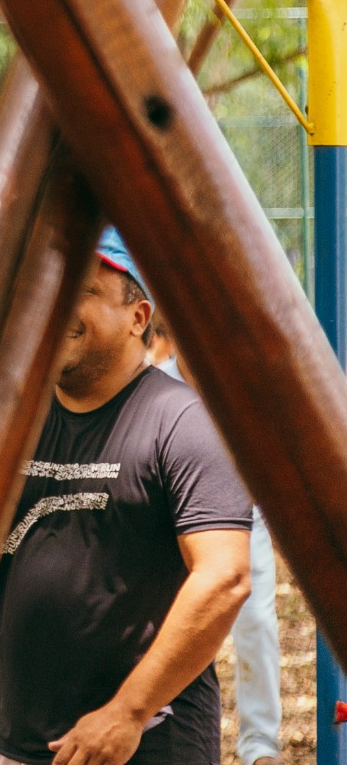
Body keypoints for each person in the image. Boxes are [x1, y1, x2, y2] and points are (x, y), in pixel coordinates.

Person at [0, 229, 252, 765]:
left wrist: (128, 712)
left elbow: (224, 577)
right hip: (20, 745)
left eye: (82, 290)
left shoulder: (182, 423)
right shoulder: (18, 422)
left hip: (144, 742)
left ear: (138, 316)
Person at [150, 323, 281, 765]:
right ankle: (155, 714)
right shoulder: (155, 384)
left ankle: (260, 745)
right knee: (169, 619)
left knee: (257, 621)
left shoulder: (242, 380)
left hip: (243, 512)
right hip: (173, 522)